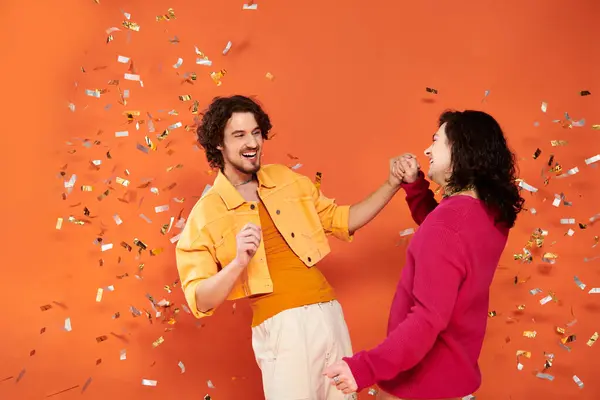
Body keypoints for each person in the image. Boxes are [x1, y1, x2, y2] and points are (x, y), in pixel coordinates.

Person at [176, 95, 407, 400]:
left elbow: (342, 219)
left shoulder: (286, 179)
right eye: (239, 134)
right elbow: (200, 299)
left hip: (328, 315)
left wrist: (392, 183)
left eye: (256, 132)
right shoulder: (207, 212)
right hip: (282, 329)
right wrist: (237, 264)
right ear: (218, 144)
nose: (252, 142)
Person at [324, 110, 525, 400]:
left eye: (436, 141)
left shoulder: (447, 224)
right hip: (456, 382)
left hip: (421, 386)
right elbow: (445, 237)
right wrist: (416, 186)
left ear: (461, 149)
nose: (428, 150)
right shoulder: (490, 217)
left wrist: (363, 368)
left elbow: (428, 319)